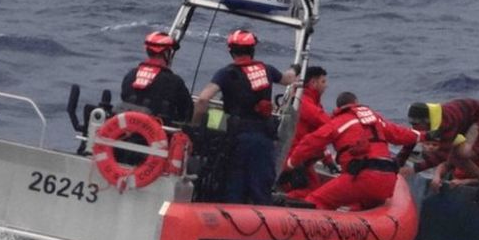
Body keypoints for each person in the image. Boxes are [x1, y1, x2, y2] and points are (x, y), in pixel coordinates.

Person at [192, 29, 298, 205]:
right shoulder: (267, 70)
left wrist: (194, 128)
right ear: (253, 50)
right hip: (263, 139)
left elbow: (202, 100)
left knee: (233, 186)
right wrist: (295, 68)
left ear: (231, 51)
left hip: (236, 139)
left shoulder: (226, 74)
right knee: (261, 188)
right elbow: (288, 79)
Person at [282, 92, 422, 210]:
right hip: (387, 180)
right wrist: (423, 135)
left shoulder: (339, 122)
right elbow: (401, 134)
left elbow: (311, 142)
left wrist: (289, 164)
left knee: (316, 200)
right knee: (360, 206)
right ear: (356, 102)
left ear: (338, 108)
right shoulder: (375, 119)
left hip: (362, 177)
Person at [402, 98, 479, 190]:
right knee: (453, 153)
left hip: (478, 116)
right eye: (411, 123)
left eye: (416, 124)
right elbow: (412, 139)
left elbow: (442, 156)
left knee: (464, 153)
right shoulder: (423, 122)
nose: (414, 127)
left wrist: (414, 169)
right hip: (461, 122)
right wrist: (397, 164)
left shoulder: (446, 123)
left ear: (426, 121)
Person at [282, 65, 334, 198]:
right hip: (294, 157)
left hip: (303, 157)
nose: (326, 86)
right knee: (310, 191)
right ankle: (282, 201)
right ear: (313, 83)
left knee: (315, 187)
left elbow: (318, 136)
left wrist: (327, 159)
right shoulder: (304, 102)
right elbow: (326, 124)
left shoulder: (312, 103)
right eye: (323, 82)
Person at [120, 31, 192, 124]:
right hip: (161, 135)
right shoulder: (175, 82)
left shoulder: (131, 75)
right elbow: (186, 113)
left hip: (126, 131)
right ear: (166, 53)